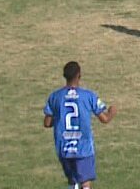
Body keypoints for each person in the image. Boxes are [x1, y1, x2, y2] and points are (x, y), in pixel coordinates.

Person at [44, 60, 116, 189]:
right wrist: (112, 112)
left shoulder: (55, 96)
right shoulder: (88, 96)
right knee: (85, 182)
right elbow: (104, 119)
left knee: (73, 182)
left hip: (64, 147)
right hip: (83, 147)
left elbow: (47, 123)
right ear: (79, 75)